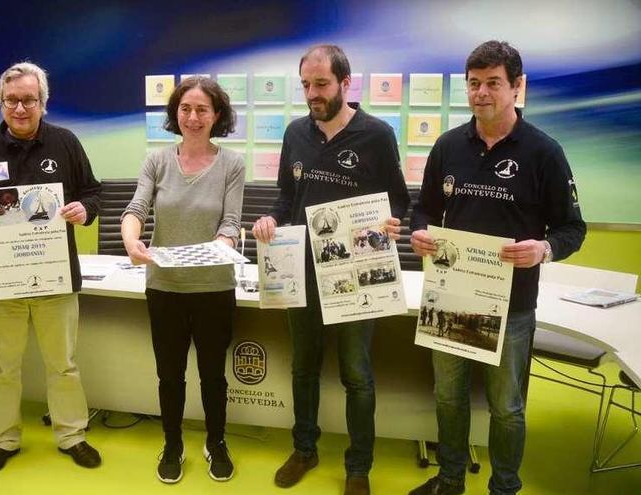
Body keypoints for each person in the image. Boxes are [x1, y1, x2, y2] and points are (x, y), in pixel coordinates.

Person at [408, 40, 586, 495]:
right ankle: (450, 480)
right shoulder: (448, 146)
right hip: (451, 296)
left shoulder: (544, 152)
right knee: (448, 397)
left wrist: (543, 249)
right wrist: (421, 233)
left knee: (507, 407)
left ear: (516, 87)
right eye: (473, 83)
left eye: (492, 83)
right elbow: (423, 210)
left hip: (512, 304)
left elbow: (572, 228)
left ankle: (504, 487)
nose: (480, 93)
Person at [252, 44, 409, 495]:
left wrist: (392, 220)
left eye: (321, 84)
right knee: (304, 366)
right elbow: (286, 198)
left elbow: (398, 199)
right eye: (305, 85)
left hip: (356, 272)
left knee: (356, 373)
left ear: (345, 82)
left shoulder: (376, 135)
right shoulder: (295, 133)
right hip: (300, 270)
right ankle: (305, 448)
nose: (312, 93)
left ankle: (358, 466)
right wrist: (270, 220)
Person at [0, 62, 102, 475]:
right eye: (12, 100)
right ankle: (3, 440)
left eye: (29, 99)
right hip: (3, 280)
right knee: (4, 367)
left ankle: (72, 435)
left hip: (55, 275)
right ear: (0, 102)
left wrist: (83, 209)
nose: (20, 108)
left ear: (44, 102)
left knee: (63, 364)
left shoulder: (66, 143)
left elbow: (93, 192)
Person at [120, 76, 244, 484]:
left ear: (217, 115)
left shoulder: (232, 164)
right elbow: (136, 208)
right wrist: (132, 240)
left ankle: (216, 442)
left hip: (214, 287)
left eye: (202, 110)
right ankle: (172, 444)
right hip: (165, 287)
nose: (192, 117)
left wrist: (220, 244)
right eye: (185, 109)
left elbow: (230, 223)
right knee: (169, 375)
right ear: (175, 113)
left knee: (213, 374)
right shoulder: (157, 161)